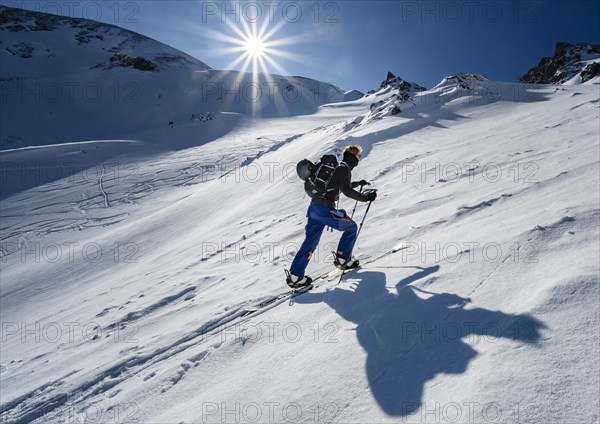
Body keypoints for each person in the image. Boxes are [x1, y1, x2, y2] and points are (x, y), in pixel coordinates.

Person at [286, 145, 377, 288]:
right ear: (353, 157)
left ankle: (295, 276)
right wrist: (366, 198)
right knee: (351, 227)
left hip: (314, 209)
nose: (359, 159)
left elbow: (336, 186)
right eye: (359, 156)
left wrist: (357, 184)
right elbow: (346, 191)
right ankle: (343, 259)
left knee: (310, 242)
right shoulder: (344, 169)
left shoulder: (337, 169)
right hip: (324, 210)